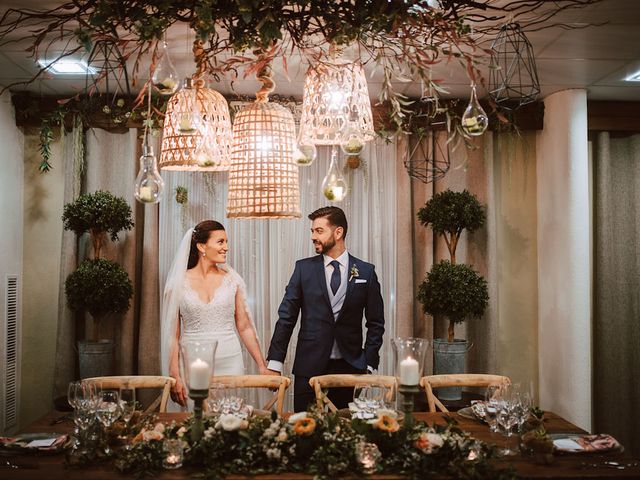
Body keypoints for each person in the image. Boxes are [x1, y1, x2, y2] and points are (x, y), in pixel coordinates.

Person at [267, 206, 385, 412]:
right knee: (305, 428)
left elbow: (375, 323)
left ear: (338, 232)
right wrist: (275, 362)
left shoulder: (366, 271)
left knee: (344, 431)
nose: (313, 236)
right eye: (312, 231)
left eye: (319, 231)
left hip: (349, 367)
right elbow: (287, 317)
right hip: (309, 365)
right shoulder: (303, 269)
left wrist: (369, 362)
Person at [161, 220, 273, 407]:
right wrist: (174, 374)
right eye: (221, 242)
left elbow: (244, 326)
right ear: (201, 246)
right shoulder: (177, 283)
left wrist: (262, 365)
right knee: (197, 422)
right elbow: (173, 333)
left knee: (230, 420)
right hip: (192, 362)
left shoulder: (232, 280)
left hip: (230, 360)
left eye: (226, 242)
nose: (226, 248)